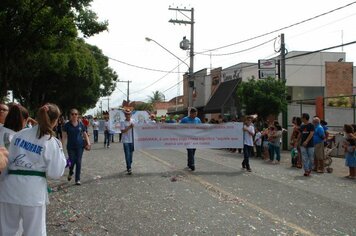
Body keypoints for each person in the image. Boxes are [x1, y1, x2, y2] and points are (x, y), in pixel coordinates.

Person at [0, 103, 66, 236]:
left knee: (7, 231)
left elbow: (7, 160)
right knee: (34, 232)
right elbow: (56, 172)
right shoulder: (51, 142)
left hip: (9, 189)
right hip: (33, 193)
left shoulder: (19, 135)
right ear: (54, 121)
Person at [63, 108, 90, 185]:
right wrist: (60, 146)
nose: (74, 115)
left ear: (78, 115)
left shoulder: (81, 124)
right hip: (70, 146)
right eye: (72, 114)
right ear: (70, 115)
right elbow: (64, 137)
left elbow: (85, 134)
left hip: (80, 146)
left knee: (78, 161)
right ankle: (71, 172)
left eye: (76, 114)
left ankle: (77, 179)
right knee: (71, 161)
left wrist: (88, 143)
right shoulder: (67, 125)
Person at [120, 109, 135, 175]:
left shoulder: (133, 121)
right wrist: (129, 127)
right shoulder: (122, 122)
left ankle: (129, 164)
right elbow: (122, 131)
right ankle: (129, 168)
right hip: (125, 140)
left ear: (130, 114)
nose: (128, 115)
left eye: (129, 114)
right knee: (127, 154)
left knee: (131, 155)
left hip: (132, 140)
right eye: (126, 114)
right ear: (125, 115)